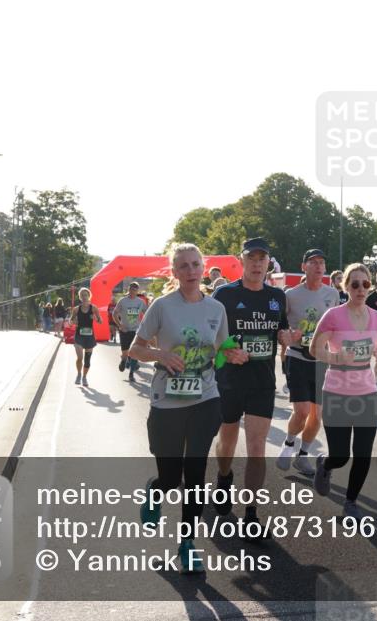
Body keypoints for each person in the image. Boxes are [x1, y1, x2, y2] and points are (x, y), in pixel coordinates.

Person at [128, 243, 247, 573]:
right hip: (167, 401)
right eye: (184, 266)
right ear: (175, 272)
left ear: (203, 267)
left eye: (196, 264)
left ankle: (187, 544)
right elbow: (136, 349)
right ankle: (155, 491)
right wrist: (161, 355)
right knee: (171, 477)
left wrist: (232, 355)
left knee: (194, 476)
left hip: (205, 398)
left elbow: (221, 348)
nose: (191, 270)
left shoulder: (215, 308)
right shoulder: (162, 307)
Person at [211, 238, 291, 538]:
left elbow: (280, 327)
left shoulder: (276, 297)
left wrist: (285, 336)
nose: (257, 263)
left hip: (261, 382)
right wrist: (228, 350)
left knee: (257, 447)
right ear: (241, 260)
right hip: (229, 380)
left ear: (268, 262)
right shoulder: (224, 294)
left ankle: (251, 514)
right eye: (251, 258)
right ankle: (223, 475)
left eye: (262, 258)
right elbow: (211, 336)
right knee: (228, 439)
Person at [311, 262, 377, 518]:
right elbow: (314, 349)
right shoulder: (333, 316)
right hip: (336, 392)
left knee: (363, 455)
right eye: (355, 284)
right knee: (341, 455)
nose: (361, 289)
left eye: (365, 284)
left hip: (366, 393)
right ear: (345, 287)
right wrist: (336, 358)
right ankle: (326, 463)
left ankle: (351, 502)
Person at [276, 249, 339, 475]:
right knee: (302, 411)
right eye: (313, 262)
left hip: (320, 360)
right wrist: (286, 335)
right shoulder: (290, 295)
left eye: (322, 262)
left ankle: (302, 456)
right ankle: (288, 444)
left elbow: (335, 325)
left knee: (317, 415)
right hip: (297, 357)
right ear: (304, 267)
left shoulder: (332, 294)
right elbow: (280, 326)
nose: (318, 266)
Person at [113, 282, 148, 382]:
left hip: (136, 330)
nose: (133, 291)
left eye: (135, 289)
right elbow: (114, 314)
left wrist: (145, 326)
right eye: (132, 289)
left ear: (137, 291)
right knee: (125, 353)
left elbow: (148, 314)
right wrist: (120, 325)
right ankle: (124, 360)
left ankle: (131, 373)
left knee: (134, 353)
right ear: (129, 289)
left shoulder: (141, 302)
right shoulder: (123, 301)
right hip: (125, 330)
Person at [69, 288, 103, 387]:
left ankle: (84, 377)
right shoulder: (76, 309)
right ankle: (79, 374)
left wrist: (95, 318)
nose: (84, 297)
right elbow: (70, 322)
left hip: (89, 336)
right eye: (82, 295)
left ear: (89, 296)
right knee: (80, 358)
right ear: (80, 297)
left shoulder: (93, 308)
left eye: (86, 295)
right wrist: (73, 322)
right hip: (79, 336)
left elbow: (100, 321)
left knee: (87, 360)